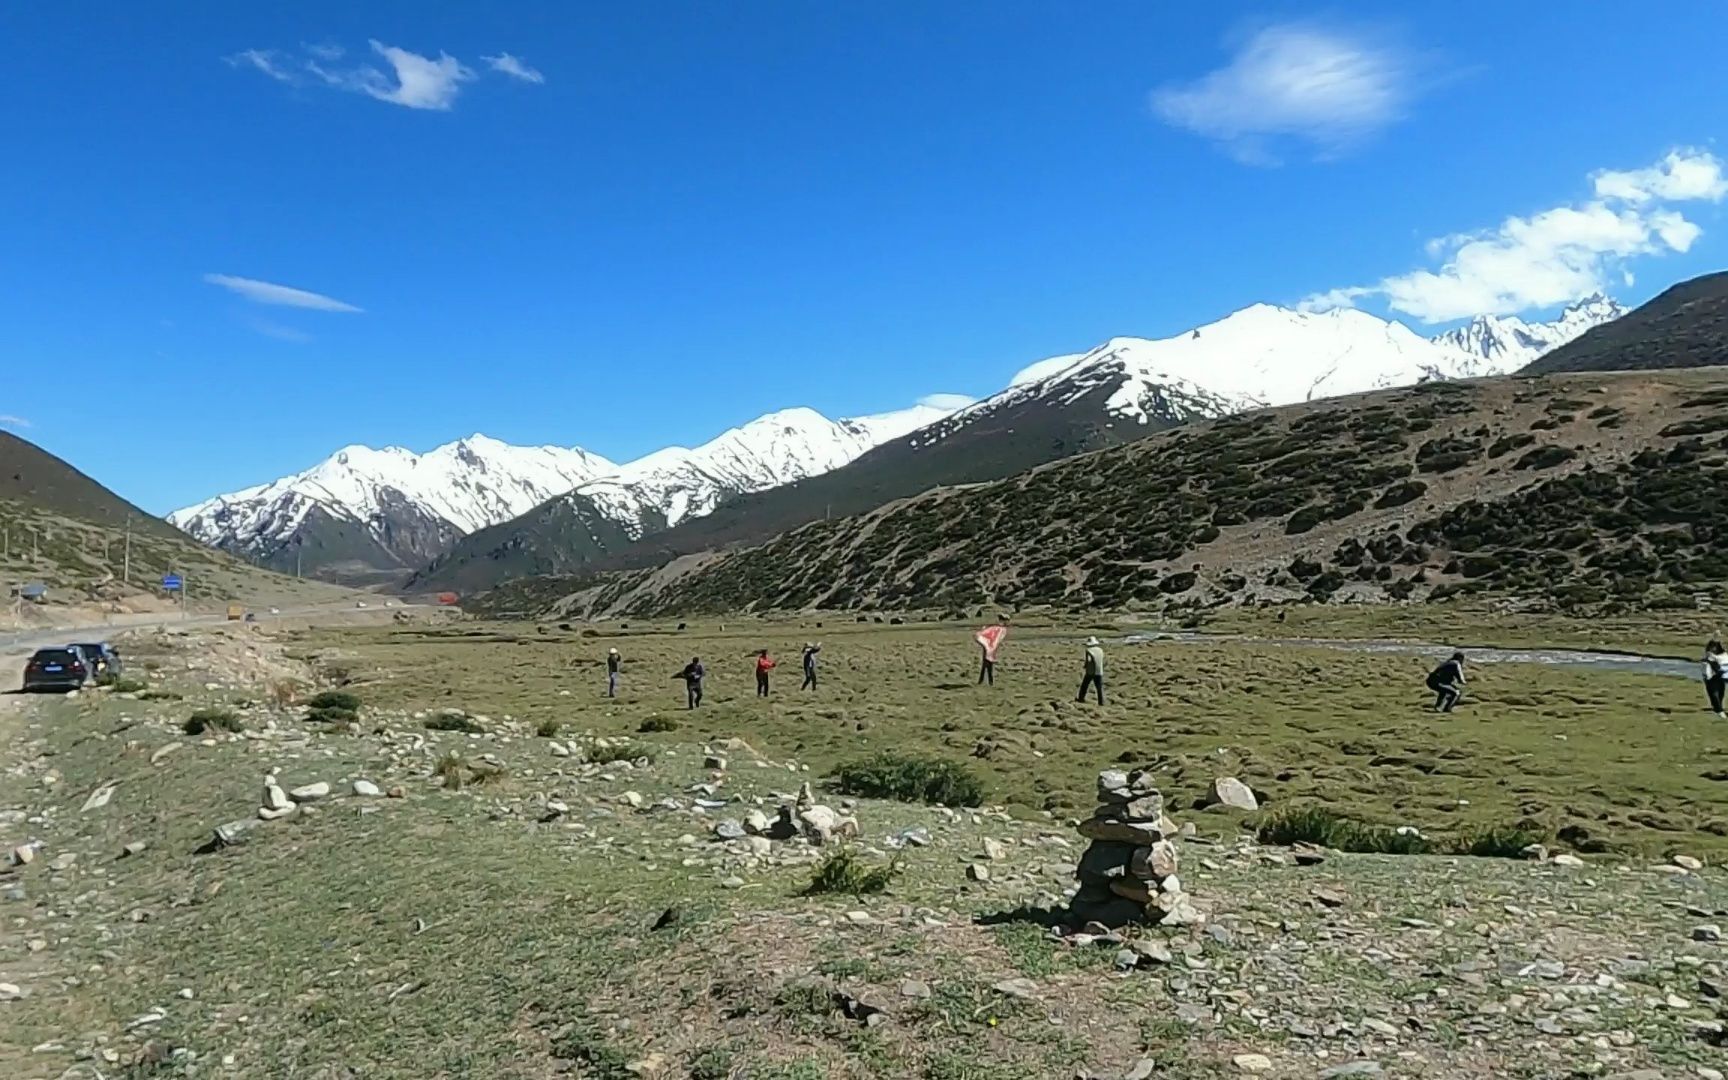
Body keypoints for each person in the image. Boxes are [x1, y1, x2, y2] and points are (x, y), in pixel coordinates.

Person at [1077, 636, 1105, 704]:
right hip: (1099, 671)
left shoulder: (1088, 651)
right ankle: (1101, 702)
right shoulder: (1100, 650)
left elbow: (1089, 660)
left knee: (1085, 685)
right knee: (1099, 687)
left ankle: (1081, 698)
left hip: (1091, 671)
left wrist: (1086, 666)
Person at [1704, 640, 1727, 719]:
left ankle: (1718, 709)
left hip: (1721, 677)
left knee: (1720, 694)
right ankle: (1719, 710)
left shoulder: (1723, 655)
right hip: (1712, 677)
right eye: (1712, 647)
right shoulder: (1709, 656)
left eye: (1714, 647)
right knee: (1714, 694)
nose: (1713, 649)